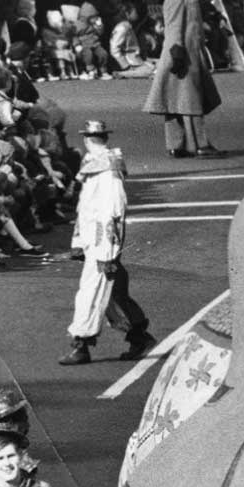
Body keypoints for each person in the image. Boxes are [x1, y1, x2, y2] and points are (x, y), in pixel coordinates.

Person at [59, 120, 154, 365]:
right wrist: (79, 241)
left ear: (88, 140)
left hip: (103, 245)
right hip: (96, 241)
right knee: (113, 293)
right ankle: (138, 335)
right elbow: (85, 209)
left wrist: (107, 251)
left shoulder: (107, 171)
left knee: (89, 293)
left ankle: (80, 344)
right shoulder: (98, 167)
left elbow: (113, 211)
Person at [142, 0, 222, 157]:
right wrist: (177, 53)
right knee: (189, 101)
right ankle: (199, 145)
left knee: (177, 101)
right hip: (181, 56)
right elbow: (174, 28)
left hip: (188, 55)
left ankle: (178, 145)